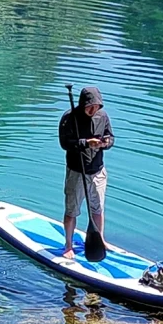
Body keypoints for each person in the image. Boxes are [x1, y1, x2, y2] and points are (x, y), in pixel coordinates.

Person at [58, 85, 114, 257]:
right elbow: (65, 143)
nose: (93, 109)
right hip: (77, 171)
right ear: (83, 104)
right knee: (72, 210)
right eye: (90, 106)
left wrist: (106, 143)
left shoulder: (103, 116)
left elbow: (111, 136)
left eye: (96, 106)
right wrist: (85, 143)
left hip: (97, 171)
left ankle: (100, 239)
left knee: (97, 209)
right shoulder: (69, 117)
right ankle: (68, 245)